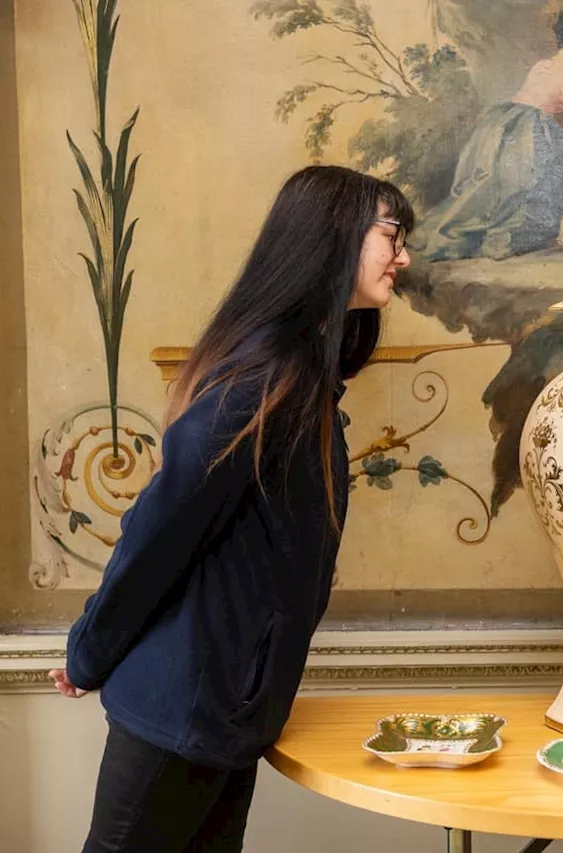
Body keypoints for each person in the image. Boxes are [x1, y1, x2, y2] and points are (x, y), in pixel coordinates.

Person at [49, 165, 413, 852]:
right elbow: (158, 532)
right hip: (180, 711)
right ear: (332, 237)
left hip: (224, 714)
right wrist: (87, 652)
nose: (404, 256)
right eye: (392, 235)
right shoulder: (262, 381)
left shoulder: (302, 384)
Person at [422, 7, 563, 261]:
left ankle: (475, 234)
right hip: (530, 135)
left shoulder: (542, 66)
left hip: (505, 125)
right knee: (538, 194)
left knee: (496, 191)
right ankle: (502, 239)